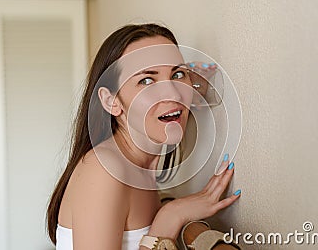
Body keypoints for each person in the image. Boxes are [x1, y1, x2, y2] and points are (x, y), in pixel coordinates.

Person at [46, 23, 241, 250]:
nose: (172, 92)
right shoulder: (104, 171)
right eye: (146, 80)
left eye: (177, 74)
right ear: (112, 102)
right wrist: (169, 219)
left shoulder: (142, 162)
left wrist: (196, 83)